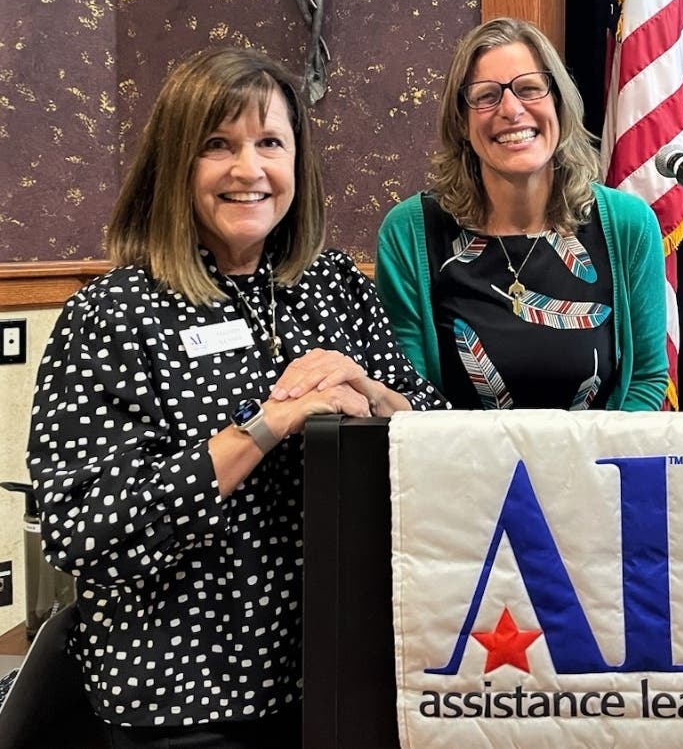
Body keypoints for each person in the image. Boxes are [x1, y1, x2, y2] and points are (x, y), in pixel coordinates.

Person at [27, 47, 446, 747]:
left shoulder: (334, 286)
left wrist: (373, 393)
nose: (248, 170)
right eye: (217, 145)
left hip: (342, 676)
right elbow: (85, 535)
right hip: (183, 700)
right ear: (174, 164)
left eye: (269, 143)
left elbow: (440, 437)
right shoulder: (113, 314)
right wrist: (266, 426)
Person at [376, 16, 668, 411]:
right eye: (486, 96)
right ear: (461, 122)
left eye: (529, 89)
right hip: (457, 453)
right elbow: (412, 390)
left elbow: (646, 380)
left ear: (558, 104)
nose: (512, 110)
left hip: (599, 452)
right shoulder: (410, 233)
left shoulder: (628, 225)